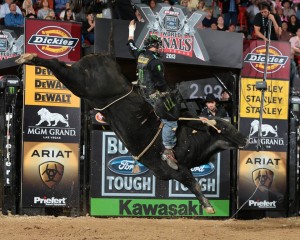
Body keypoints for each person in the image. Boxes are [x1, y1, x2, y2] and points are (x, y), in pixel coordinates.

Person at [127, 20, 179, 170]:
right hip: (152, 95)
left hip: (139, 92)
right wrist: (168, 96)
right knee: (172, 120)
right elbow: (161, 83)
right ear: (155, 46)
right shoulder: (156, 62)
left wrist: (131, 31)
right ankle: (168, 151)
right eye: (158, 46)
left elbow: (131, 46)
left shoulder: (140, 55)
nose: (159, 48)